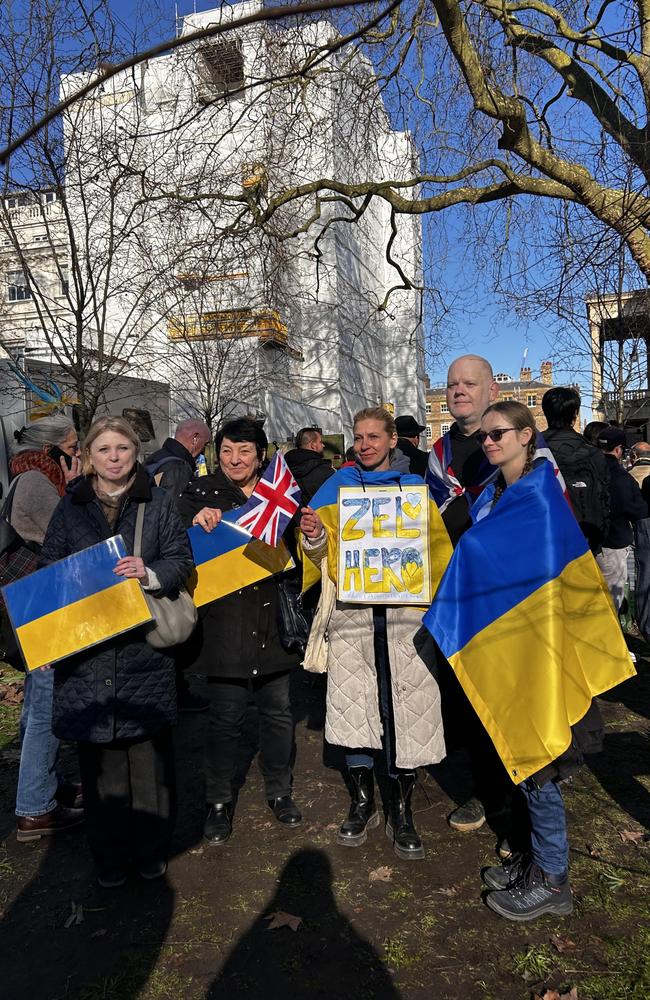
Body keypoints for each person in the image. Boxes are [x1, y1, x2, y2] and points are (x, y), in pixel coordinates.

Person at [425, 400, 630, 921]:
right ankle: (534, 862)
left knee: (539, 762)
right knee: (521, 758)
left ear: (526, 436)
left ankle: (553, 878)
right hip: (507, 642)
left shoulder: (537, 497)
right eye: (486, 436)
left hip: (538, 644)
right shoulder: (495, 492)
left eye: (500, 434)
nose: (489, 442)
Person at [41, 416, 193, 887]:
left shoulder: (159, 502)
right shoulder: (70, 509)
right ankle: (108, 857)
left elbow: (181, 563)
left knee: (148, 765)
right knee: (100, 768)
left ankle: (151, 851)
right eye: (103, 449)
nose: (113, 458)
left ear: (135, 453)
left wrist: (147, 572)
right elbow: (50, 570)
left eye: (122, 449)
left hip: (142, 653)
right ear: (89, 456)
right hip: (87, 653)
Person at [300, 407, 447, 861]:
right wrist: (311, 537)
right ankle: (363, 802)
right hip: (353, 616)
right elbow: (319, 556)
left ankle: (402, 810)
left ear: (391, 441)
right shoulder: (334, 490)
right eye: (358, 438)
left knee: (403, 708)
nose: (364, 445)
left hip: (405, 619)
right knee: (356, 705)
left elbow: (439, 554)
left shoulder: (416, 491)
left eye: (373, 437)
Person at [177, 417, 302, 847]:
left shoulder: (281, 497)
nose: (235, 459)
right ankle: (217, 802)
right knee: (224, 720)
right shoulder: (198, 492)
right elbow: (174, 537)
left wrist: (310, 535)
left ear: (261, 455)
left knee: (278, 713)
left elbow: (300, 558)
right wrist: (195, 516)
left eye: (245, 451)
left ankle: (280, 791)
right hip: (224, 628)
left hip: (272, 623)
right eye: (227, 450)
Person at [426, 354, 504, 837]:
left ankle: (515, 801)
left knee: (504, 696)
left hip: (506, 592)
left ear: (491, 390)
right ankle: (485, 791)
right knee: (466, 698)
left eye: (469, 384)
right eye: (452, 384)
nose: (458, 391)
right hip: (454, 589)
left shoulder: (515, 443)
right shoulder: (435, 455)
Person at [10, 415, 85, 842]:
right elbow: (72, 533)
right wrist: (76, 489)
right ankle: (35, 807)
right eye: (73, 449)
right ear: (53, 449)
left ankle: (44, 785)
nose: (77, 456)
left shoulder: (25, 475)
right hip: (42, 607)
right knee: (45, 706)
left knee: (36, 705)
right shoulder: (38, 483)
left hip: (31, 605)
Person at [146, 418, 212, 714]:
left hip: (149, 560)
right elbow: (173, 518)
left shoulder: (156, 460)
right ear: (195, 438)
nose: (204, 452)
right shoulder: (177, 467)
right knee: (173, 626)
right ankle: (177, 695)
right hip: (165, 563)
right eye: (206, 445)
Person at [541, 386, 610, 553]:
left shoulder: (533, 450)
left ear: (546, 413)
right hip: (585, 538)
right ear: (575, 414)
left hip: (544, 538)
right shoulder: (592, 452)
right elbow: (605, 498)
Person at [595, 425, 648, 610]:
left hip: (584, 543)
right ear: (618, 450)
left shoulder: (586, 468)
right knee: (611, 599)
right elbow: (638, 509)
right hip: (613, 543)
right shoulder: (621, 477)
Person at [146, 419, 212, 496]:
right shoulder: (179, 468)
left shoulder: (155, 457)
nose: (204, 450)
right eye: (205, 444)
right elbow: (173, 506)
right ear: (195, 438)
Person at [285, 427, 334, 505]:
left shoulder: (285, 468)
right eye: (320, 442)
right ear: (313, 445)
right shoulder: (325, 471)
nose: (323, 445)